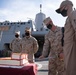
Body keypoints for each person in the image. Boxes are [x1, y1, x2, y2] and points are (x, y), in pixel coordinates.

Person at [56, 0, 76, 75]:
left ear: (66, 7)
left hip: (72, 48)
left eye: (61, 10)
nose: (61, 12)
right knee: (67, 70)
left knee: (71, 71)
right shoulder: (69, 18)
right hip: (68, 49)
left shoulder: (73, 14)